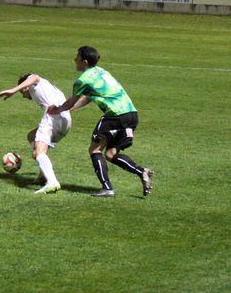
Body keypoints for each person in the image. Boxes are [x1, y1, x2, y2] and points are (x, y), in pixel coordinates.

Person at [47, 46, 153, 198]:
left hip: (115, 116)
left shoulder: (82, 80)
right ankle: (142, 172)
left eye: (77, 57)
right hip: (131, 114)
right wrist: (71, 109)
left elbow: (70, 102)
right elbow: (88, 96)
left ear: (84, 62)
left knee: (95, 150)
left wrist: (57, 110)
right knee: (110, 154)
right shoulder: (101, 71)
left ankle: (107, 188)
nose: (74, 60)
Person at [0, 74, 73, 194]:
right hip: (66, 121)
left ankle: (52, 182)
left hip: (52, 119)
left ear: (25, 86)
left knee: (39, 153)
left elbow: (35, 77)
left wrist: (13, 90)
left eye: (22, 92)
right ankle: (43, 175)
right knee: (32, 136)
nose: (23, 96)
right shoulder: (51, 88)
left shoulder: (35, 83)